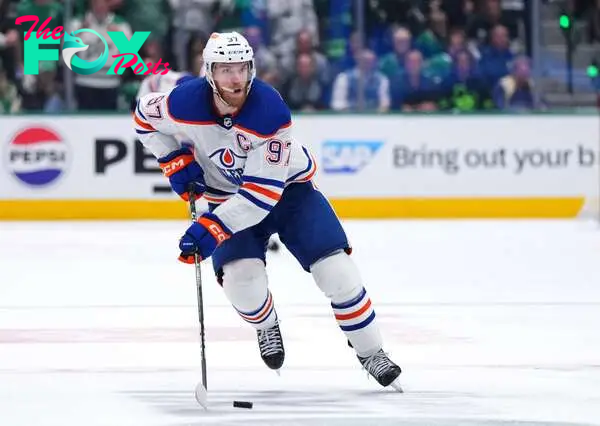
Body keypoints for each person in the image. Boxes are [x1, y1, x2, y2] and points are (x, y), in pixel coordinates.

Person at [133, 32, 402, 390]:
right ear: (210, 72)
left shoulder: (269, 110)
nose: (235, 78)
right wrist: (173, 159)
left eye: (241, 68)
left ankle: (371, 352)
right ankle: (266, 324)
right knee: (243, 286)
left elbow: (262, 194)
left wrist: (212, 227)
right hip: (227, 200)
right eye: (225, 69)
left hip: (290, 195)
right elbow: (143, 118)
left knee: (338, 274)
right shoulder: (183, 102)